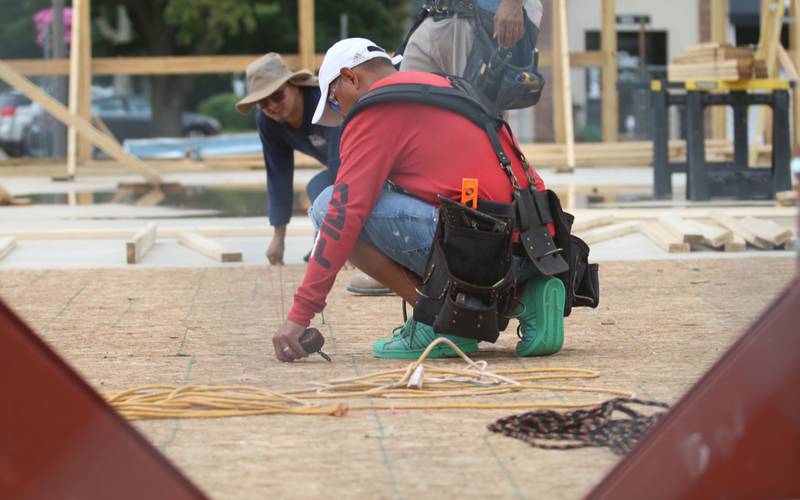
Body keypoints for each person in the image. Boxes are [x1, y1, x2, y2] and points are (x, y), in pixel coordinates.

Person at [271, 37, 565, 363]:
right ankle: (529, 296)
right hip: (537, 248)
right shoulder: (445, 85)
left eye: (337, 103)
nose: (343, 116)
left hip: (484, 251)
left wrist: (300, 313)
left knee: (327, 206)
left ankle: (440, 321)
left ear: (351, 77)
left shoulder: (376, 108)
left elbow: (344, 213)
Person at [400, 0, 544, 76]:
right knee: (406, 102)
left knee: (475, 115)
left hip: (476, 20)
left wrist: (512, 3)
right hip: (432, 16)